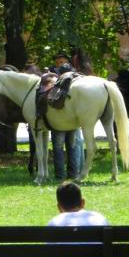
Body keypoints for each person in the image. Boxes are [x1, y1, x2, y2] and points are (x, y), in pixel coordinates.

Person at [48, 51, 79, 180]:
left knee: (61, 148)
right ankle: (72, 174)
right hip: (70, 120)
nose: (59, 64)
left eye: (61, 61)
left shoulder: (53, 79)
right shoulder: (75, 76)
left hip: (59, 120)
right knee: (70, 147)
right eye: (57, 61)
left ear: (66, 61)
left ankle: (61, 175)